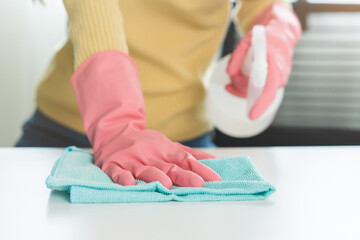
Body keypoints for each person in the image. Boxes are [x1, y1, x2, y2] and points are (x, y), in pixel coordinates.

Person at [16, 0, 301, 189]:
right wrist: (116, 119)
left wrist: (278, 27)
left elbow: (267, 5)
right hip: (63, 131)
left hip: (182, 144)